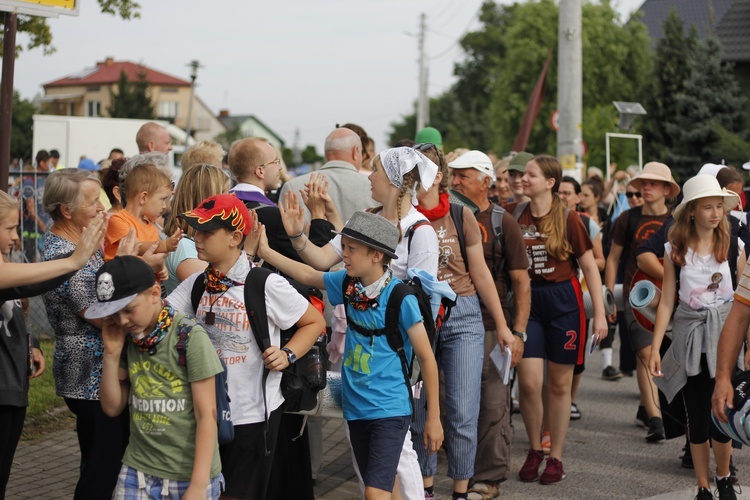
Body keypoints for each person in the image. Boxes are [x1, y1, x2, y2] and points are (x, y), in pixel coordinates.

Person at [278, 146, 439, 499]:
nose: (369, 177)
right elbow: (320, 262)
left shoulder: (419, 231)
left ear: (395, 181)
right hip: (358, 348)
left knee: (402, 455)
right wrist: (295, 236)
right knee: (366, 455)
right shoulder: (365, 219)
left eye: (376, 171)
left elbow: (421, 301)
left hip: (393, 356)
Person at [166, 193, 325, 500]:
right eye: (196, 230)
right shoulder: (197, 283)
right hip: (204, 414)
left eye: (206, 232)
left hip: (252, 415)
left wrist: (287, 353)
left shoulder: (265, 283)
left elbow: (314, 321)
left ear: (235, 237)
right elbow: (161, 318)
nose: (196, 238)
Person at [412, 147, 517, 500]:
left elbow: (481, 274)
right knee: (422, 405)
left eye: (419, 169)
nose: (411, 176)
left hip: (463, 314)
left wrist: (502, 326)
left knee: (462, 408)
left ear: (436, 175)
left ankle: (459, 489)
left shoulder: (460, 215)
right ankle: (425, 487)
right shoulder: (404, 215)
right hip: (419, 316)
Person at [0, 190, 106, 499]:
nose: (16, 237)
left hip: (12, 384)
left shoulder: (6, 260)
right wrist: (74, 260)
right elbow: (28, 282)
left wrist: (29, 342)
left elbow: (17, 303)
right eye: (8, 228)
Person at [91, 256, 225, 499]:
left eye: (129, 310)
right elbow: (112, 407)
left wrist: (197, 485)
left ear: (154, 293)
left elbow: (207, 416)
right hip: (138, 469)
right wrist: (111, 354)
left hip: (188, 474)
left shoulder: (189, 337)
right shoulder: (128, 339)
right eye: (114, 314)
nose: (122, 321)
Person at [510, 155, 607, 485]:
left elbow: (590, 266)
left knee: (559, 384)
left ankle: (556, 457)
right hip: (528, 301)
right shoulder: (515, 214)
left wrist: (601, 316)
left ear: (550, 182)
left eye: (531, 175)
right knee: (529, 382)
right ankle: (535, 448)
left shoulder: (569, 218)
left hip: (564, 300)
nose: (523, 179)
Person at [649, 175, 742, 500]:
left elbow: (745, 301)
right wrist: (657, 347)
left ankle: (724, 477)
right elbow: (666, 301)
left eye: (719, 206)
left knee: (724, 414)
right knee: (698, 416)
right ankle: (703, 485)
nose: (716, 213)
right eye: (708, 207)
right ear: (691, 211)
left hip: (725, 335)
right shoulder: (674, 250)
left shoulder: (733, 245)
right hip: (690, 336)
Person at [41, 168, 130, 499]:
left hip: (98, 373)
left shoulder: (81, 241)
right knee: (101, 472)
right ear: (66, 210)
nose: (102, 210)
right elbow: (103, 315)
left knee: (102, 463)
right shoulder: (63, 254)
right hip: (90, 376)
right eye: (93, 202)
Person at [448, 149, 530, 498]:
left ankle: (490, 477)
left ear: (485, 181)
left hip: (492, 326)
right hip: (448, 322)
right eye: (452, 175)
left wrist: (518, 332)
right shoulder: (445, 217)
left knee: (493, 402)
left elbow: (522, 282)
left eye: (462, 176)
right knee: (453, 401)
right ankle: (456, 469)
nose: (454, 182)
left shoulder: (502, 222)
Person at [605, 162, 680, 443]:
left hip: (676, 298)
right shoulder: (627, 218)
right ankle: (655, 419)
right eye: (643, 183)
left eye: (653, 183)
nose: (646, 188)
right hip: (638, 299)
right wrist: (609, 297)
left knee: (671, 358)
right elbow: (613, 259)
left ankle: (653, 408)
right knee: (647, 354)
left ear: (665, 189)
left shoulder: (676, 221)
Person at [279, 127, 375, 222]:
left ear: (326, 152)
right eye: (361, 152)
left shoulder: (292, 187)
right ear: (355, 151)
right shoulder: (374, 187)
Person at [164, 164, 229, 294]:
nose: (231, 200)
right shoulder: (183, 247)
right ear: (208, 200)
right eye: (225, 194)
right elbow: (216, 295)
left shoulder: (192, 241)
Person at [104, 163, 182, 261]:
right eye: (162, 199)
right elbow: (135, 246)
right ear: (143, 198)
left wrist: (161, 269)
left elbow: (153, 258)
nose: (165, 206)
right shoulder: (117, 220)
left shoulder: (151, 228)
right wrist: (165, 245)